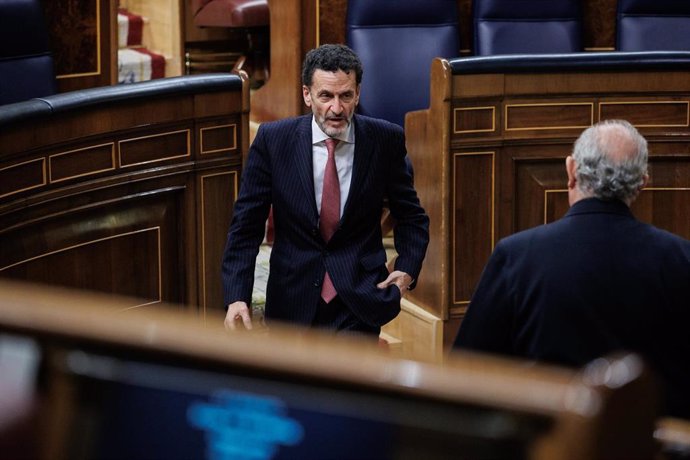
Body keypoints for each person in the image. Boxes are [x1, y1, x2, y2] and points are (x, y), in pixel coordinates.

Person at [453, 119, 690, 418]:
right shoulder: (682, 259)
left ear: (571, 171)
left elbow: (467, 371)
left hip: (544, 441)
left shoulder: (516, 256)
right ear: (642, 183)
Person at [221, 44, 430, 338]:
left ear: (357, 93)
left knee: (349, 383)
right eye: (326, 96)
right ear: (307, 95)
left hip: (359, 298)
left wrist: (407, 269)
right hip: (292, 299)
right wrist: (237, 295)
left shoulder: (385, 139)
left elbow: (412, 217)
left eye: (346, 95)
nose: (336, 108)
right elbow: (246, 227)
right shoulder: (273, 141)